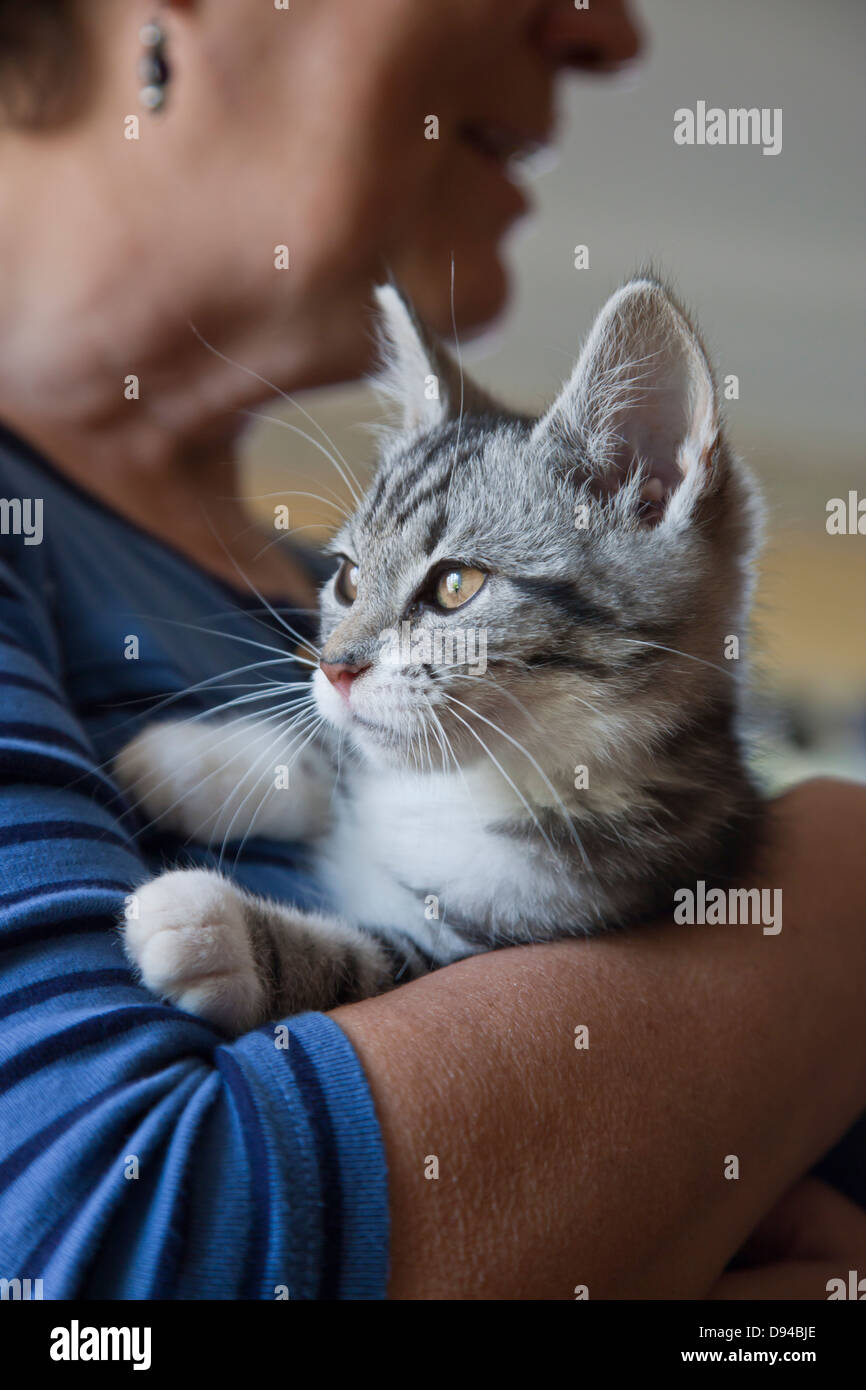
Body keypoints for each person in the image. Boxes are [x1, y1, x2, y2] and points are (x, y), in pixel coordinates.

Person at [0, 0, 862, 1301]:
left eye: (438, 585)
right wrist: (832, 909)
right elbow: (112, 1275)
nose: (607, 31)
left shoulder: (336, 636)